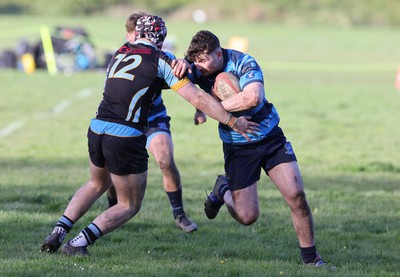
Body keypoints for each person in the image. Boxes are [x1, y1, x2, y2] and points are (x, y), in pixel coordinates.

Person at [40, 16, 258, 256]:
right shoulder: (160, 59)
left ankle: (59, 231)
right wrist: (232, 121)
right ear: (162, 40)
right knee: (129, 204)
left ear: (136, 34)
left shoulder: (119, 53)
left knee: (96, 183)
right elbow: (197, 97)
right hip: (124, 135)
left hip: (97, 128)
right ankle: (78, 243)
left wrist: (181, 64)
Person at [184, 30, 329, 267]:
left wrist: (210, 108)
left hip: (270, 137)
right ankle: (223, 190)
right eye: (195, 61)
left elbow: (253, 98)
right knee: (247, 216)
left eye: (203, 60)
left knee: (296, 195)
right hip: (237, 148)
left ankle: (311, 259)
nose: (198, 66)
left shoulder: (244, 62)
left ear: (219, 54)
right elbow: (176, 70)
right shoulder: (196, 69)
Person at [105, 12, 197, 234]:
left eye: (136, 34)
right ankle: (112, 213)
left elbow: (191, 84)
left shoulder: (161, 56)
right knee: (110, 170)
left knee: (165, 159)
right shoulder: (121, 56)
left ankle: (179, 214)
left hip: (153, 117)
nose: (132, 38)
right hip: (124, 120)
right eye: (130, 35)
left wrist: (198, 108)